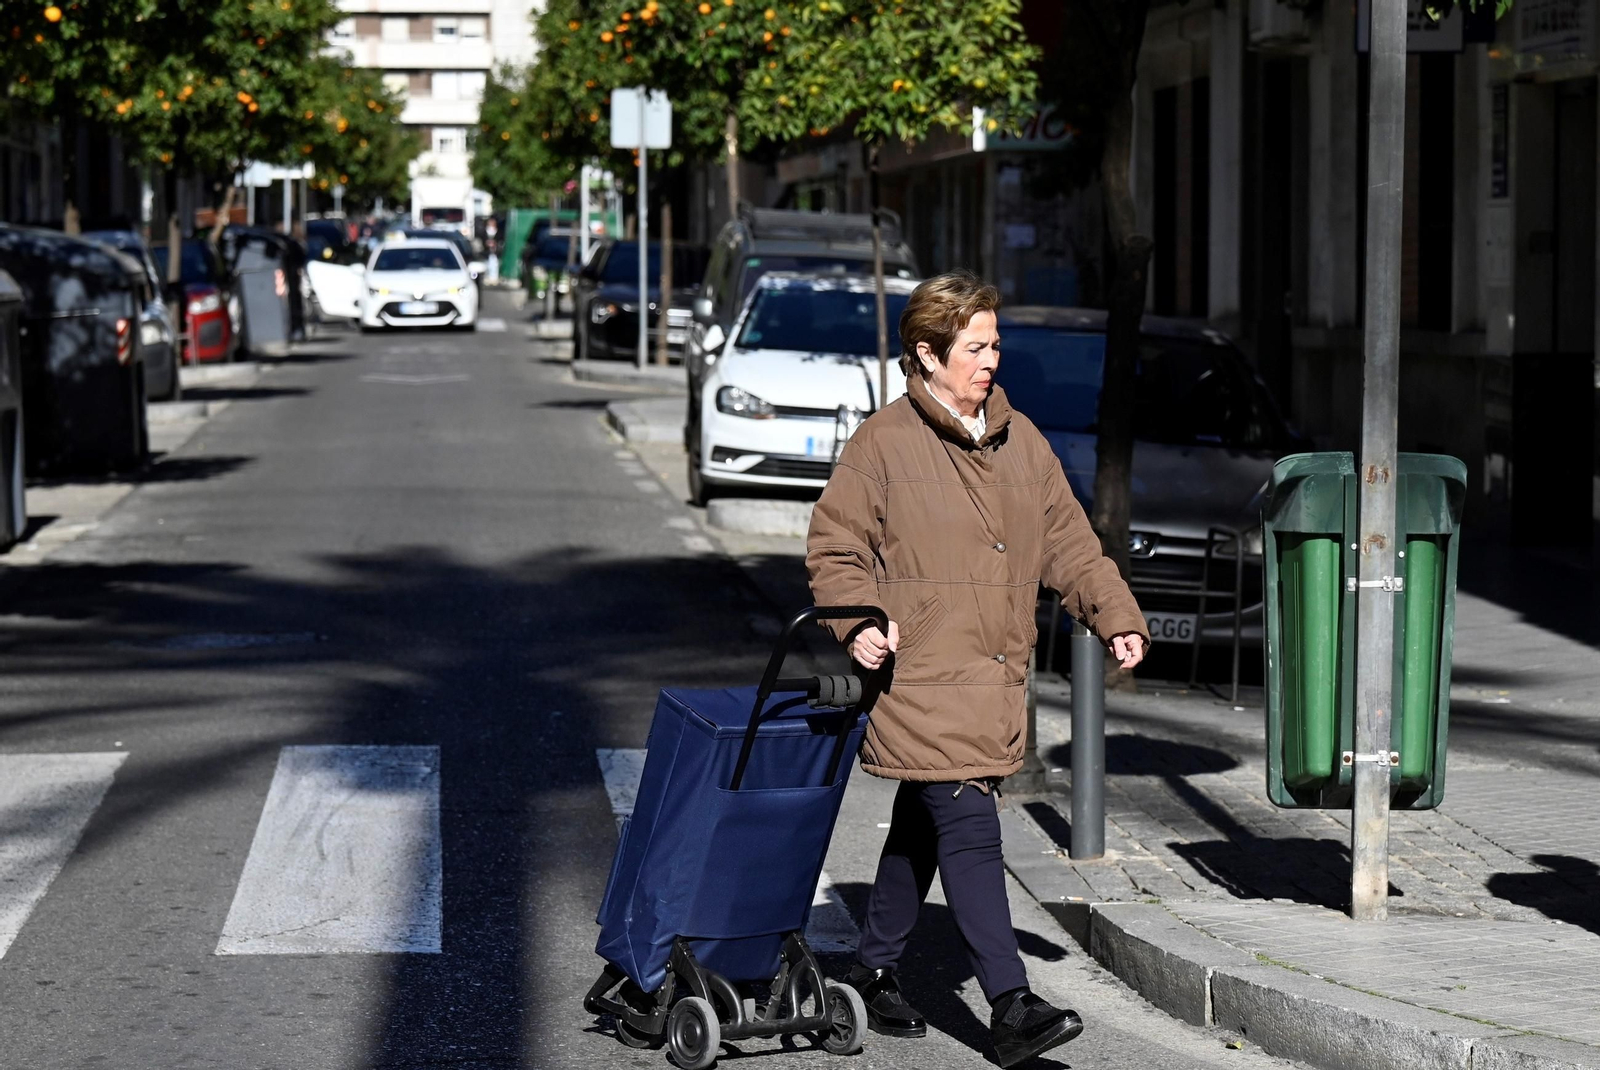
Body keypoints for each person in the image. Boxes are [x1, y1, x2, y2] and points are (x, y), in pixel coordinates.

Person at [806, 270, 1148, 1068]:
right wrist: (856, 621)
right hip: (920, 672)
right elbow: (835, 546)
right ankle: (1010, 1003)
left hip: (992, 674)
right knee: (965, 819)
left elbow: (1069, 544)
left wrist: (1116, 615)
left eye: (996, 344)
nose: (990, 360)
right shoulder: (884, 443)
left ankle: (868, 970)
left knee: (924, 823)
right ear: (926, 354)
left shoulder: (1019, 439)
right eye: (973, 347)